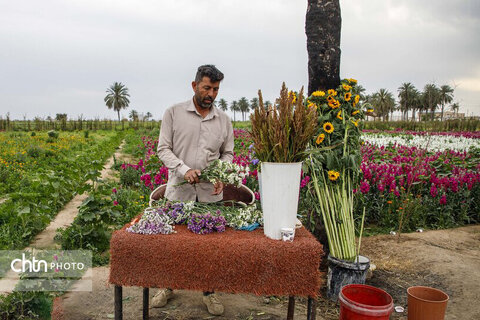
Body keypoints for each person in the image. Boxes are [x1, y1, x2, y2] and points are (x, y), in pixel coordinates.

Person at [153, 64, 234, 315]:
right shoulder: (174, 113)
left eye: (216, 89)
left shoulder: (223, 120)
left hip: (210, 196)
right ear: (194, 85)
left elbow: (228, 153)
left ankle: (209, 292)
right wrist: (183, 169)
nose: (211, 94)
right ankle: (167, 286)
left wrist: (221, 173)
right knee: (173, 245)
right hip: (179, 193)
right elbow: (163, 149)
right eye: (207, 87)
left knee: (209, 248)